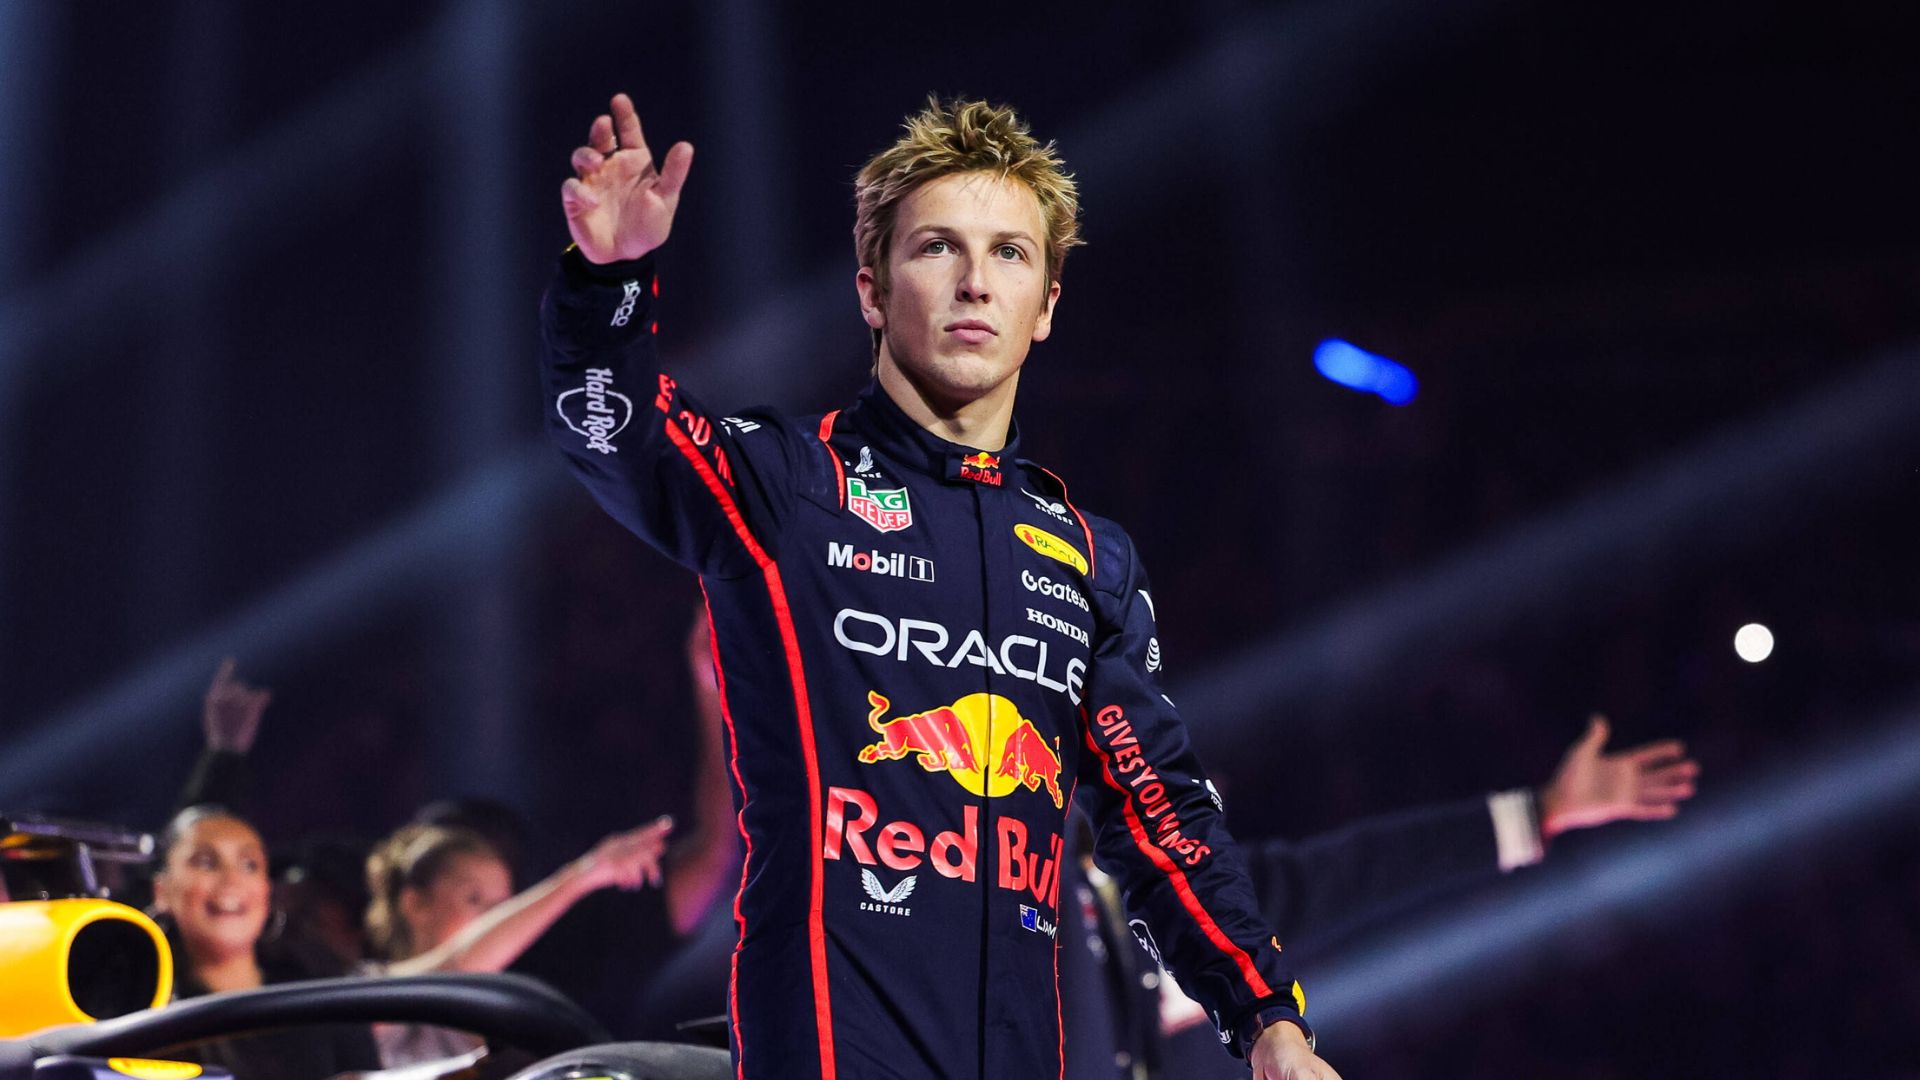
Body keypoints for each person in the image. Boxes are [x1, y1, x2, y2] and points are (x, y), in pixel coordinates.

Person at [542, 93, 1340, 1078]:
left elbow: (1158, 815)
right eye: (937, 249)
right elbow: (614, 436)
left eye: (1009, 253)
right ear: (872, 290)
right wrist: (607, 281)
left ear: (1046, 305)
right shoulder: (789, 485)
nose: (974, 283)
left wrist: (1269, 1021)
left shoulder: (1090, 559)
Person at [360, 815, 673, 1066]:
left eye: (502, 907)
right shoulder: (366, 988)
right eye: (474, 898)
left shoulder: (497, 1018)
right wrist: (584, 874)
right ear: (415, 904)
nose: (495, 920)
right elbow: (454, 967)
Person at [148, 805, 380, 1079]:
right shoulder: (147, 1012)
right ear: (162, 891)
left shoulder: (321, 998)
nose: (231, 880)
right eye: (206, 862)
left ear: (267, 890)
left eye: (249, 865)